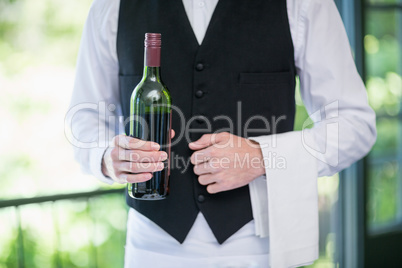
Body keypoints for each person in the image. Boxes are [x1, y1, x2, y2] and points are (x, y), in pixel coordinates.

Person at [67, 0, 376, 267]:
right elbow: (84, 119)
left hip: (260, 245)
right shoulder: (112, 7)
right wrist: (107, 157)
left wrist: (261, 156)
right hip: (150, 248)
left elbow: (354, 124)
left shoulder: (302, 4)